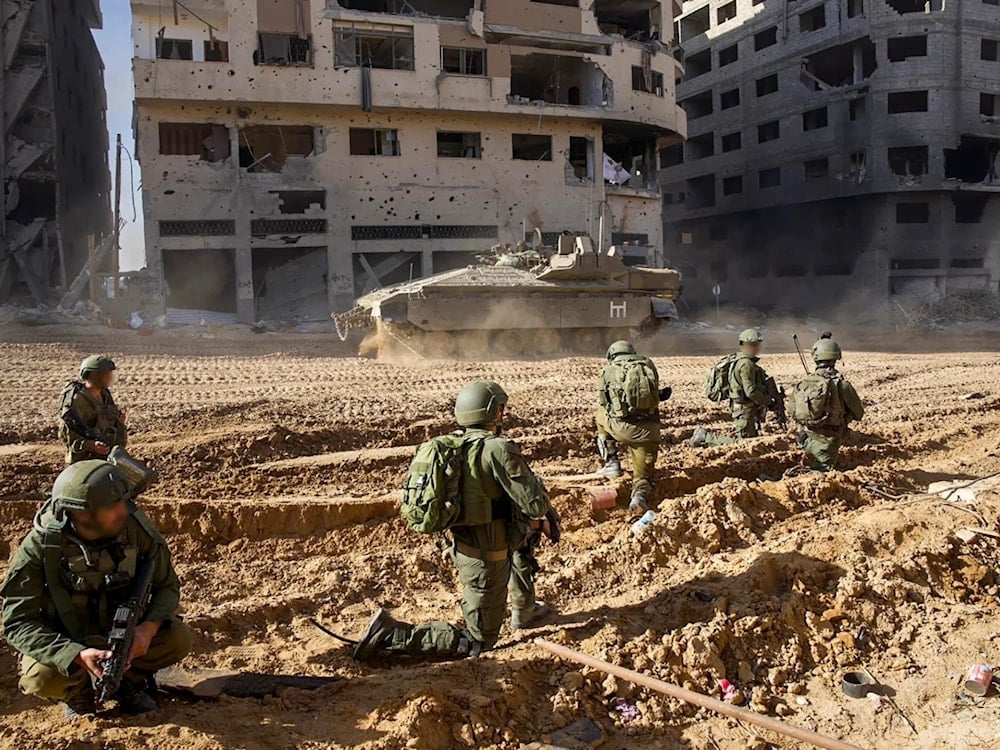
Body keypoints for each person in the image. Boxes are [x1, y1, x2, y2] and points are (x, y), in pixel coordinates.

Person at [353, 381, 558, 661]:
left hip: (465, 546)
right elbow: (534, 504)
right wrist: (539, 493)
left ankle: (524, 609)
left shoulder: (454, 447)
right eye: (500, 408)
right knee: (477, 642)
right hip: (488, 557)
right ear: (493, 413)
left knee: (525, 540)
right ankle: (390, 635)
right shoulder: (498, 449)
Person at [1, 461, 192, 720]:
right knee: (41, 678)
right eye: (113, 507)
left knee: (178, 639)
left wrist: (148, 629)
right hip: (68, 639)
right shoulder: (40, 547)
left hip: (124, 634)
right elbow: (17, 621)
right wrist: (75, 654)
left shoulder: (133, 529)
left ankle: (128, 681)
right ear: (82, 513)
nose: (124, 511)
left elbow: (166, 586)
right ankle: (77, 693)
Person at [595, 340, 669, 514]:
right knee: (643, 477)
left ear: (612, 355)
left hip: (622, 429)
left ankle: (612, 462)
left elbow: (604, 402)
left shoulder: (608, 370)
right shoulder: (648, 364)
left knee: (599, 414)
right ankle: (639, 497)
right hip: (650, 432)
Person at [690, 328, 776, 447]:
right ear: (746, 345)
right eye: (754, 344)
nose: (757, 347)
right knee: (743, 444)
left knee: (749, 440)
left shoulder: (741, 360)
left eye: (757, 344)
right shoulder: (746, 364)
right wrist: (768, 402)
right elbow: (750, 391)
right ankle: (706, 437)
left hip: (745, 408)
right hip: (745, 409)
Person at [792, 337, 864, 471]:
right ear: (836, 359)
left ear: (816, 359)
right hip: (827, 443)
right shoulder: (842, 385)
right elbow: (859, 413)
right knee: (821, 478)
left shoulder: (803, 383)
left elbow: (792, 411)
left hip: (804, 438)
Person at [59, 355, 127, 465]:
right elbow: (68, 437)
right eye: (106, 374)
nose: (110, 378)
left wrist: (120, 424)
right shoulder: (78, 401)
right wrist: (92, 446)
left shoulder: (104, 394)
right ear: (93, 376)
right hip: (85, 460)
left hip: (106, 456)